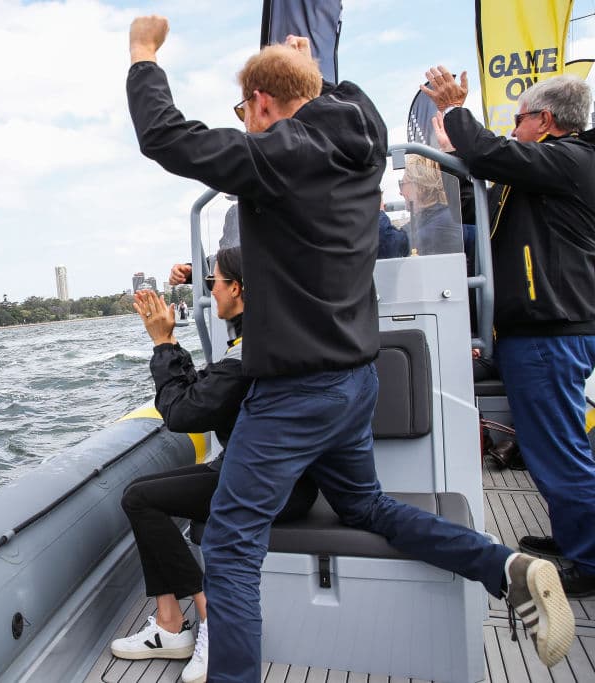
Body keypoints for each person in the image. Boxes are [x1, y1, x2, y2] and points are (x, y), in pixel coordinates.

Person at [125, 17, 574, 678]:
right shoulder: (363, 135)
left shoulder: (276, 157)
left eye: (245, 112)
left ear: (262, 104)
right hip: (355, 382)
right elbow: (333, 98)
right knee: (370, 508)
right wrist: (311, 71)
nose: (245, 125)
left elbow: (165, 136)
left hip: (295, 393)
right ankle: (503, 565)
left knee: (230, 541)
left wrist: (143, 54)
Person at [423, 68, 595, 597]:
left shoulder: (569, 160)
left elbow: (489, 152)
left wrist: (454, 108)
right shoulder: (549, 174)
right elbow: (482, 199)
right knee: (549, 445)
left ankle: (590, 559)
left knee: (558, 449)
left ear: (544, 121)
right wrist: (452, 152)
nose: (514, 130)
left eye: (519, 121)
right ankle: (574, 537)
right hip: (541, 332)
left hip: (550, 332)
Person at [111, 247, 318, 683]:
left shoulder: (249, 356)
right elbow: (204, 393)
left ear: (237, 289)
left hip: (268, 486)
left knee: (141, 500)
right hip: (259, 472)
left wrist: (163, 343)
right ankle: (169, 624)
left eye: (214, 284)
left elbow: (182, 412)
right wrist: (177, 326)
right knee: (139, 496)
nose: (209, 293)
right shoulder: (265, 336)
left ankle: (209, 618)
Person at [399, 156, 462, 255]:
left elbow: (396, 244)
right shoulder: (430, 217)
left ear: (419, 186)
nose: (400, 192)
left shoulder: (442, 223)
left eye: (401, 184)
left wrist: (377, 210)